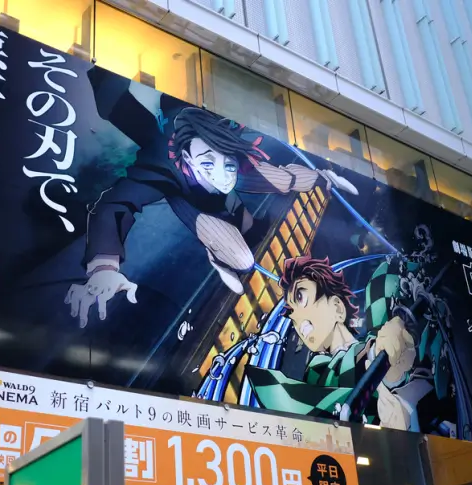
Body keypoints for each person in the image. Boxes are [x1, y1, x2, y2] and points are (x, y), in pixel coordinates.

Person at [65, 68, 358, 327]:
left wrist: (323, 177)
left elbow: (287, 179)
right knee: (242, 259)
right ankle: (219, 254)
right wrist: (103, 268)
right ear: (187, 160)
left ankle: (237, 233)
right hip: (188, 189)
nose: (222, 174)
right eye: (207, 163)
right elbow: (114, 206)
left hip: (201, 151)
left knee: (266, 190)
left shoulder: (237, 164)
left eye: (227, 165)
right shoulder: (165, 167)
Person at [245, 256, 436, 431]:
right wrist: (377, 353)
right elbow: (339, 377)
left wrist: (396, 365)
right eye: (292, 316)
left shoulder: (377, 317)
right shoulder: (318, 369)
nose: (299, 323)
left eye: (301, 297)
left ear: (337, 307)